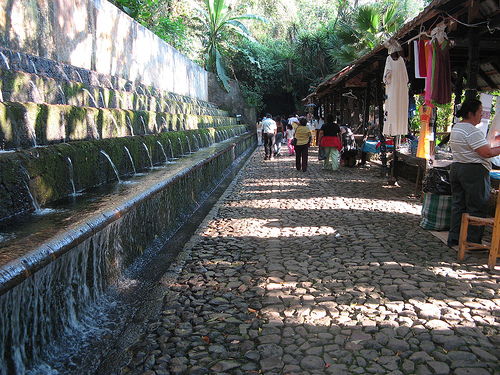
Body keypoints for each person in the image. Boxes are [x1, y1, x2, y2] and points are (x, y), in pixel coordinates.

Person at [447, 98, 500, 247]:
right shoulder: (471, 131)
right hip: (472, 170)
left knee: (459, 205)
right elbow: (486, 153)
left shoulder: (457, 127)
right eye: (480, 112)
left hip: (458, 167)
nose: (482, 115)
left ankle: (455, 238)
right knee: (476, 206)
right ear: (471, 114)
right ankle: (472, 240)